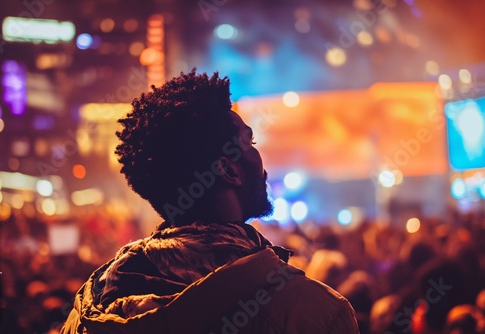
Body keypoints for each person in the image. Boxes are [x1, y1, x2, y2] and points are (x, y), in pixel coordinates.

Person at [61, 70, 359, 334]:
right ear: (228, 170)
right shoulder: (316, 315)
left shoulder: (85, 316)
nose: (260, 158)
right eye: (249, 141)